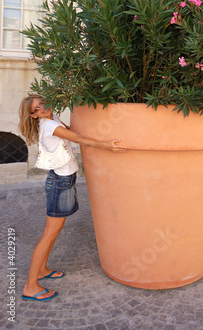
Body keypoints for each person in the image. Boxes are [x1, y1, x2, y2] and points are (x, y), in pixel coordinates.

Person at [18, 94, 126, 301]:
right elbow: (77, 139)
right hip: (60, 183)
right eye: (37, 108)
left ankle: (41, 270)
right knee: (49, 232)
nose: (43, 107)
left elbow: (72, 131)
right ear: (33, 115)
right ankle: (30, 286)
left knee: (55, 230)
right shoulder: (49, 127)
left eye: (42, 102)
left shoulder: (53, 118)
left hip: (63, 180)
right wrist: (106, 144)